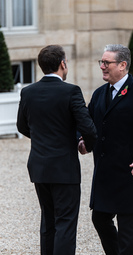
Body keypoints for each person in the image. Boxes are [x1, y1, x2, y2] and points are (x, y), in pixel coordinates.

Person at [16, 45, 97, 255]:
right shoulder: (71, 91)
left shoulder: (28, 92)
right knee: (65, 223)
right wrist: (85, 145)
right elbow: (88, 128)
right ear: (62, 63)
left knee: (48, 221)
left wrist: (43, 139)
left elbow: (22, 126)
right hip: (64, 168)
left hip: (39, 167)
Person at [79, 44, 133, 255]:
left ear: (122, 65)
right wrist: (82, 140)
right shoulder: (98, 94)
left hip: (130, 171)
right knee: (99, 218)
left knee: (127, 229)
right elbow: (88, 123)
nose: (102, 67)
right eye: (101, 62)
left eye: (107, 63)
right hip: (105, 173)